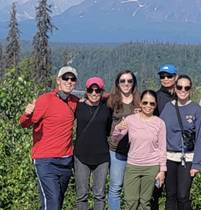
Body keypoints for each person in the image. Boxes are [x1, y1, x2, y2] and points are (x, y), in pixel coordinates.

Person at [19, 66, 79, 210]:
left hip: (66, 161)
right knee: (52, 202)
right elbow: (24, 124)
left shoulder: (75, 102)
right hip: (45, 161)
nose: (69, 81)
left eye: (72, 79)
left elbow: (95, 100)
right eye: (66, 78)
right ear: (58, 81)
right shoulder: (45, 100)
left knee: (55, 201)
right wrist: (27, 113)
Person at [112, 90, 167, 210]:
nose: (148, 106)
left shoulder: (160, 123)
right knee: (130, 202)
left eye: (152, 103)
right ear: (140, 104)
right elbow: (116, 139)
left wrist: (162, 170)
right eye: (145, 102)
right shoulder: (130, 120)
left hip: (152, 167)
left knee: (145, 202)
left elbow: (162, 148)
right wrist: (117, 128)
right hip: (133, 166)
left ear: (155, 105)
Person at [160, 74, 201, 210]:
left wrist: (197, 163)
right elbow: (160, 131)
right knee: (170, 195)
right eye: (179, 87)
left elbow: (200, 137)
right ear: (175, 88)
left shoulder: (196, 109)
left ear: (190, 89)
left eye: (186, 87)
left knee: (183, 195)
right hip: (169, 157)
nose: (183, 90)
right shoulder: (168, 107)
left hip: (188, 157)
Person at [74, 77, 112, 210]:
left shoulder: (107, 109)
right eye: (91, 90)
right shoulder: (78, 106)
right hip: (81, 156)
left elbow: (108, 130)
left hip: (102, 157)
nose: (94, 93)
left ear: (102, 92)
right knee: (81, 195)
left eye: (98, 90)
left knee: (99, 195)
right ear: (86, 91)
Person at [107, 70, 140, 210]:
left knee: (133, 189)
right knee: (116, 187)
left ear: (133, 83)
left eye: (129, 81)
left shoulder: (140, 101)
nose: (126, 84)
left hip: (136, 151)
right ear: (117, 83)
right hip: (115, 150)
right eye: (123, 81)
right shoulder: (110, 101)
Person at [151, 63, 177, 210]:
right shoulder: (156, 97)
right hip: (159, 150)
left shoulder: (181, 95)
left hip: (175, 150)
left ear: (175, 77)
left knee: (174, 192)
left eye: (169, 76)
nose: (165, 79)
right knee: (156, 190)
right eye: (162, 76)